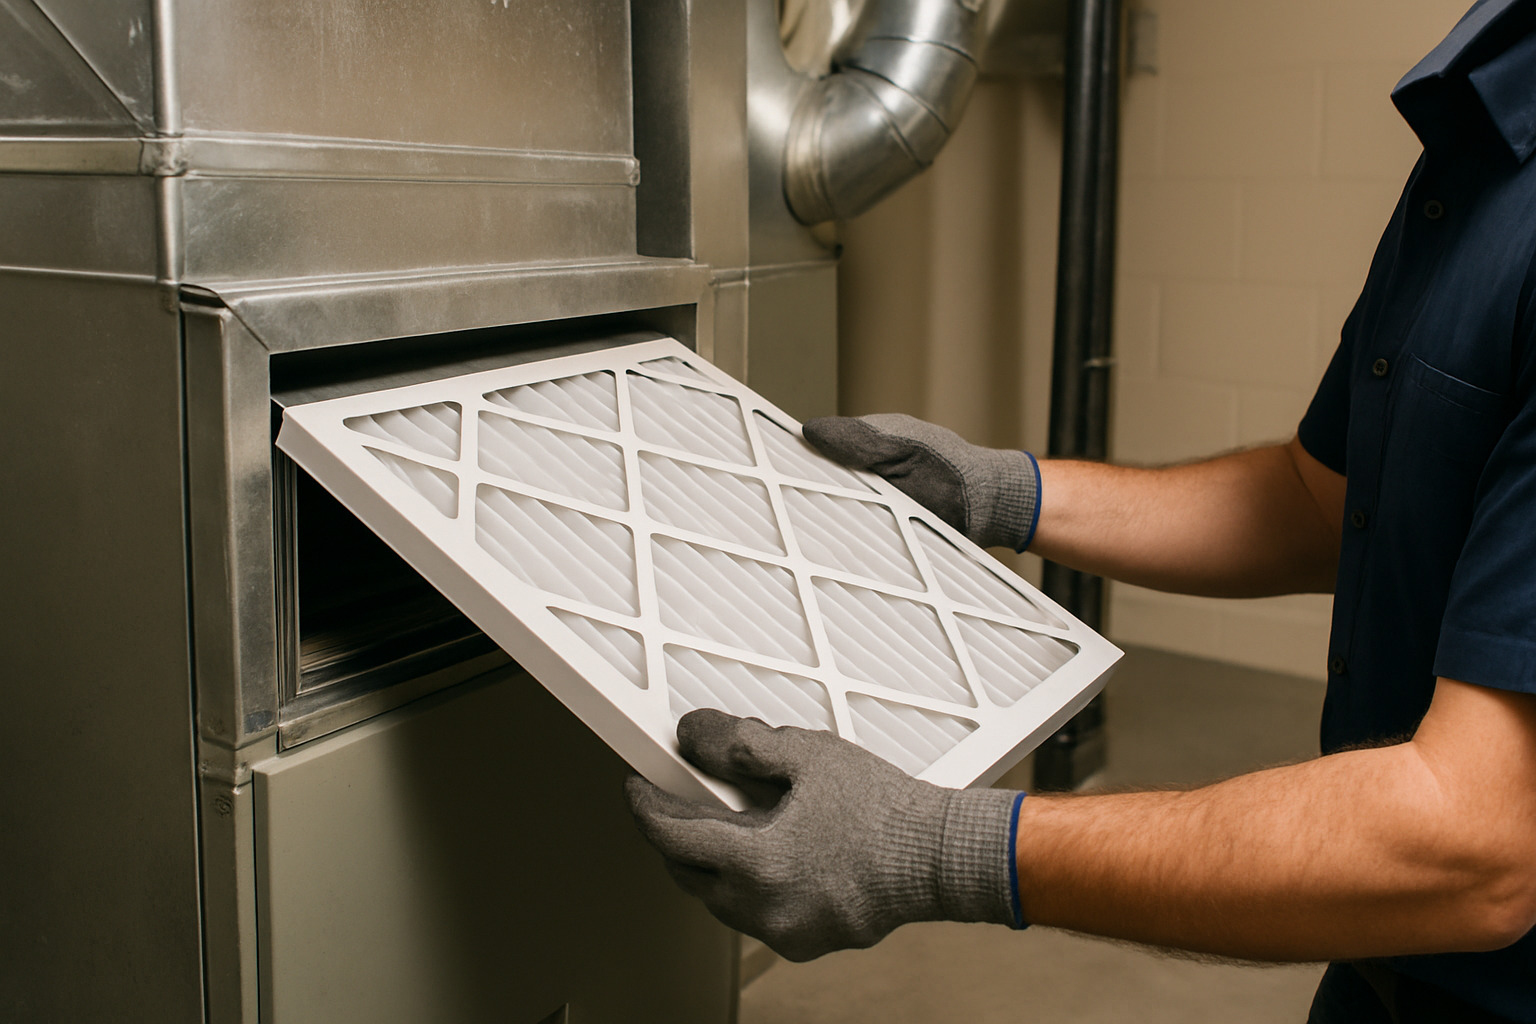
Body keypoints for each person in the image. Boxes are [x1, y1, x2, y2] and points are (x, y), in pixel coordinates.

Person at [625, 0, 1536, 1019]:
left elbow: (1473, 845)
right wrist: (1004, 491)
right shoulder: (1480, 141)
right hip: (1384, 979)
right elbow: (1319, 497)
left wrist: (942, 850)